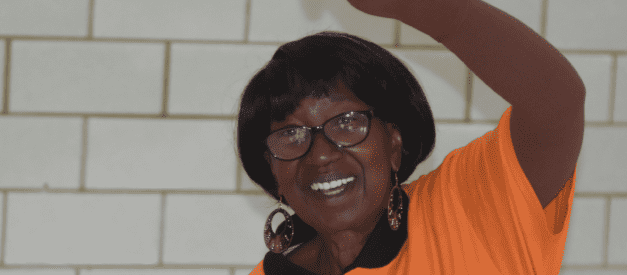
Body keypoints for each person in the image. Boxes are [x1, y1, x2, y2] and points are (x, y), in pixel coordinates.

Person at [238, 0, 584, 274]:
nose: (321, 155)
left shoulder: (469, 208)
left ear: (394, 140)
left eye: (346, 122)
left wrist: (433, 8)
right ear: (270, 168)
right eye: (291, 134)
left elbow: (555, 104)